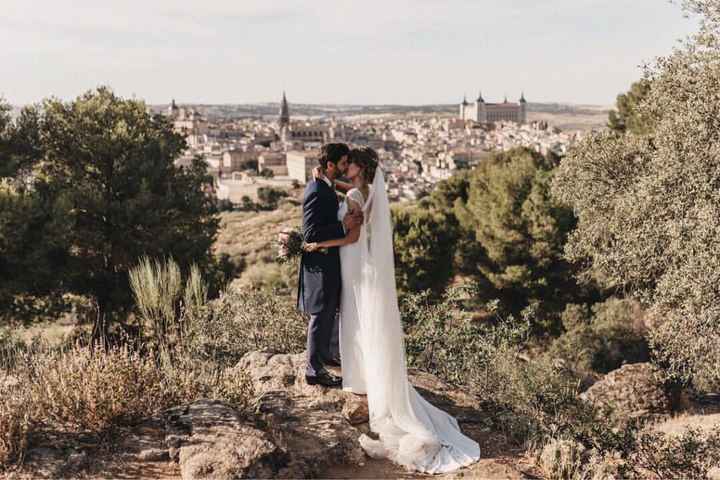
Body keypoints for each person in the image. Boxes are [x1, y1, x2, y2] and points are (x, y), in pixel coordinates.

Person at [305, 147, 481, 474]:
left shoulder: (357, 193)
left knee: (357, 320)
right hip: (366, 265)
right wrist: (336, 188)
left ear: (360, 167)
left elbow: (352, 234)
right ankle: (373, 377)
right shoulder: (369, 191)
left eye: (350, 163)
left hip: (353, 263)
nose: (346, 166)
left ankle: (360, 376)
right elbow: (354, 195)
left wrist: (320, 244)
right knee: (369, 322)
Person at [298, 143, 362, 387]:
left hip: (329, 261)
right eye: (343, 163)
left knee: (327, 314)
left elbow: (336, 188)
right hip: (320, 262)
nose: (346, 167)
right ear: (331, 165)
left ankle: (324, 356)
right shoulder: (316, 191)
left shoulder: (325, 184)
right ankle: (313, 371)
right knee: (320, 315)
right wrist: (343, 224)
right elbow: (310, 233)